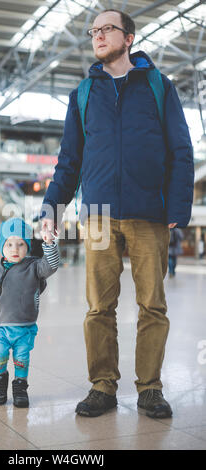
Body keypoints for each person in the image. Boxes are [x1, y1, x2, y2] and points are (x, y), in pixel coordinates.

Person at [40, 9, 194, 419]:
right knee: (98, 308)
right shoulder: (83, 94)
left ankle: (150, 388)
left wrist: (178, 206)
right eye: (93, 31)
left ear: (128, 37)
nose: (97, 36)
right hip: (100, 214)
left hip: (149, 213)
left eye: (106, 28)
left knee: (152, 305)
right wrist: (52, 207)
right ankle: (103, 386)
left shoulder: (159, 87)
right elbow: (69, 160)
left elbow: (181, 149)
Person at [0, 217, 59, 407]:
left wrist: (49, 243)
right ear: (1, 246)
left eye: (21, 244)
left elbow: (51, 265)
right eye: (9, 244)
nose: (15, 249)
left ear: (27, 247)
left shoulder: (34, 267)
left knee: (22, 359)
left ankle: (20, 388)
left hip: (25, 328)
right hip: (0, 328)